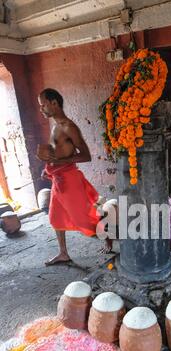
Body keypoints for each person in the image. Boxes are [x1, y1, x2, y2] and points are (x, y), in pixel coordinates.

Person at [37, 88, 101, 265]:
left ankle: (111, 237)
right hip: (58, 179)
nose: (41, 109)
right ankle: (63, 253)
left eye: (43, 105)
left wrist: (58, 162)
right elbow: (56, 154)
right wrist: (48, 168)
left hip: (70, 179)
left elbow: (86, 155)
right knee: (55, 217)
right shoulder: (56, 126)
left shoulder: (69, 127)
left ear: (54, 103)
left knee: (85, 218)